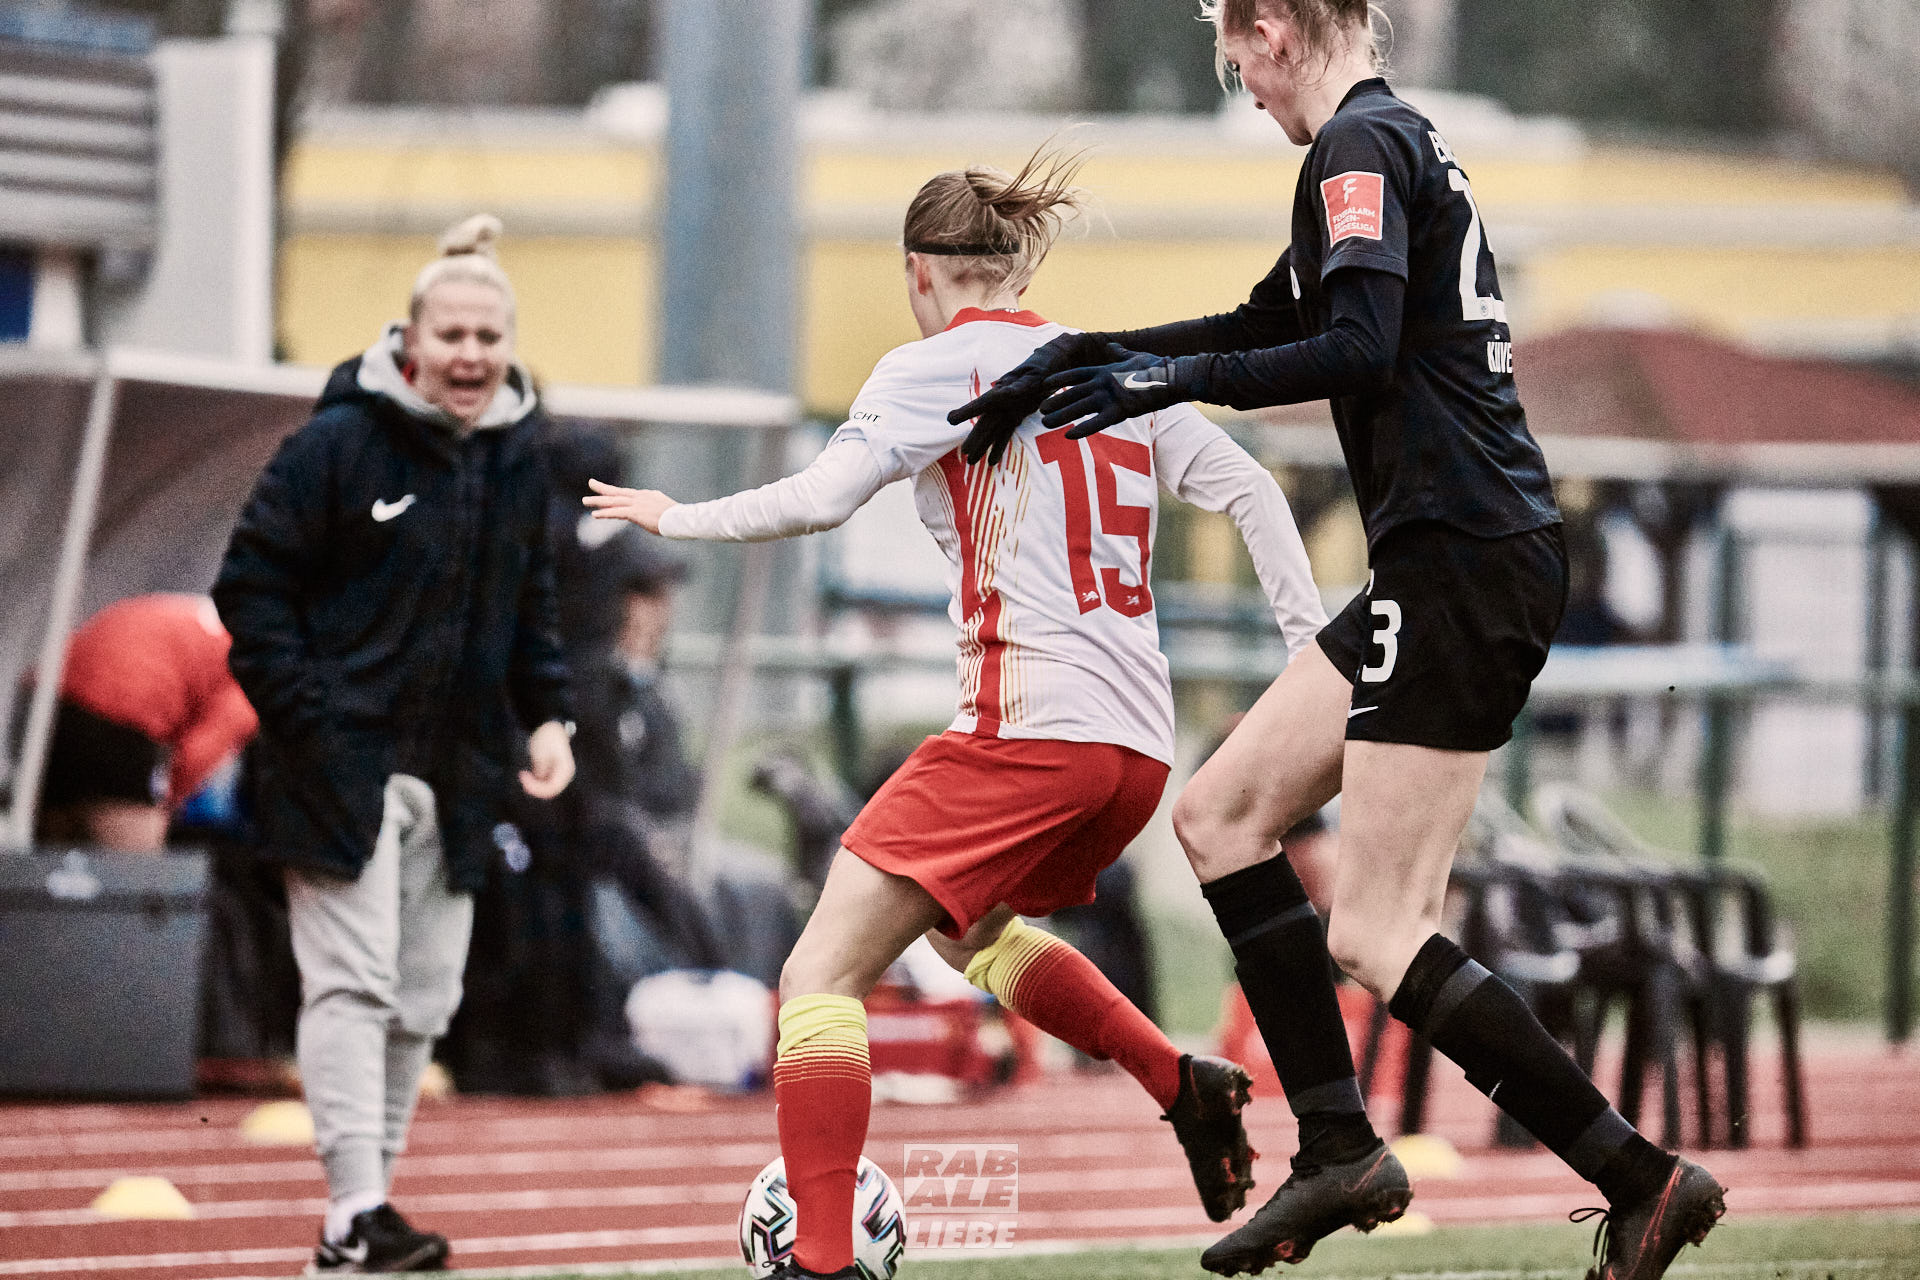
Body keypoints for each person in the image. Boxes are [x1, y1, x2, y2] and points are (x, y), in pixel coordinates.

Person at [950, 5, 1724, 1279]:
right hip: (1445, 556)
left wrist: (1163, 385)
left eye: (1234, 55)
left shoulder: (1357, 148)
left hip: (1463, 558)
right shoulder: (1380, 146)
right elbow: (1267, 323)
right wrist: (1095, 355)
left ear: (1273, 27)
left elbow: (1354, 349)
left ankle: (1640, 1179)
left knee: (1377, 928)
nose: (1242, 84)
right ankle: (1337, 1147)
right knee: (1221, 815)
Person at [586, 144, 1329, 1280]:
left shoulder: (935, 365)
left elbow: (821, 498)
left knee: (818, 973)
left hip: (1031, 731)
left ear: (918, 270)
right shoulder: (1108, 362)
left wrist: (678, 517)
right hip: (1136, 754)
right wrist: (1303, 653)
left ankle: (822, 1263)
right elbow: (1251, 488)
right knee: (961, 929)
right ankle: (1182, 1080)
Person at [213, 214, 575, 1274]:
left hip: (459, 776)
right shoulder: (339, 442)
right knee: (353, 985)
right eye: (451, 333)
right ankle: (351, 1209)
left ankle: (370, 1212)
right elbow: (250, 585)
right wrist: (313, 722)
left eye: (487, 336)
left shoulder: (517, 455)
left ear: (508, 342)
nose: (469, 354)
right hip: (338, 771)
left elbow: (532, 603)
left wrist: (546, 715)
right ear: (409, 340)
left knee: (424, 1000)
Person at [35, 593, 257, 852]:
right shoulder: (264, 669)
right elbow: (197, 754)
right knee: (138, 866)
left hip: (47, 707)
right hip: (119, 717)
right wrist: (162, 807)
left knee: (47, 862)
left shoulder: (212, 619)